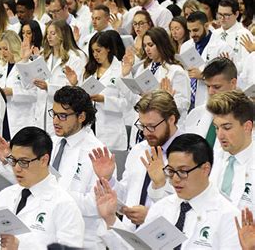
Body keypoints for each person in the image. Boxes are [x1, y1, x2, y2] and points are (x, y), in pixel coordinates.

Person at [95, 133, 241, 249]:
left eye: (183, 171)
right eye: (171, 171)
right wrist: (110, 219)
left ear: (205, 169)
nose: (175, 179)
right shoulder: (163, 207)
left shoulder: (228, 216)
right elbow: (138, 247)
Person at [0, 126, 85, 249]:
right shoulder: (5, 195)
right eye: (13, 160)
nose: (17, 168)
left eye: (23, 162)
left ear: (44, 160)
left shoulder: (64, 205)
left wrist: (20, 247)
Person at [91, 90, 181, 231]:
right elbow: (126, 197)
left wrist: (151, 215)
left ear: (171, 119)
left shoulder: (188, 153)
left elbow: (187, 207)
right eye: (142, 126)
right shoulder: (139, 150)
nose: (145, 133)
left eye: (151, 126)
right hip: (130, 237)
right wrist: (109, 179)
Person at [121, 27, 190, 147]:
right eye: (145, 45)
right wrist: (126, 75)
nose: (147, 49)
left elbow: (183, 104)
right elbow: (133, 100)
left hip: (163, 130)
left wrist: (166, 99)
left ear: (161, 44)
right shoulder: (143, 68)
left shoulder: (176, 71)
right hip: (141, 126)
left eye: (150, 45)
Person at [69, 31, 130, 150]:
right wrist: (75, 84)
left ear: (108, 49)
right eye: (93, 51)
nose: (95, 55)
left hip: (111, 131)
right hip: (89, 127)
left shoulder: (121, 70)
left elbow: (127, 104)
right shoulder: (89, 70)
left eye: (98, 51)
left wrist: (104, 100)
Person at [26, 19, 86, 134]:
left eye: (53, 33)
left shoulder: (75, 59)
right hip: (40, 114)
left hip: (62, 114)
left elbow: (76, 90)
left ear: (63, 35)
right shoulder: (43, 56)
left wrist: (48, 87)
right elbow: (30, 85)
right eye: (48, 33)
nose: (49, 37)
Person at [206, 90, 254, 210]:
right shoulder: (209, 159)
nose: (220, 135)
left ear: (247, 127)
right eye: (217, 128)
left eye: (227, 127)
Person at [181, 12, 232, 109]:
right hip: (189, 100)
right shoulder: (185, 46)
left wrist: (203, 76)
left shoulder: (222, 47)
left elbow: (228, 78)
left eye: (195, 30)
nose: (192, 34)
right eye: (189, 31)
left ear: (206, 26)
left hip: (210, 100)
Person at [184, 57, 238, 149]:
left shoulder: (245, 115)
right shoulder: (196, 113)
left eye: (216, 87)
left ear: (233, 83)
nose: (210, 92)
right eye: (208, 86)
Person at [0, 30, 38, 139]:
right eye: (0, 49)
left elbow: (34, 95)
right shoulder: (1, 68)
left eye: (5, 49)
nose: (2, 53)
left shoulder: (25, 66)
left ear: (13, 46)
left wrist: (13, 93)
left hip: (21, 119)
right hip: (4, 117)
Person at [212, 0, 254, 72]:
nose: (222, 18)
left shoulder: (244, 34)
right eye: (220, 14)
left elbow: (248, 65)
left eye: (226, 15)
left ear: (236, 14)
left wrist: (230, 65)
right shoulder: (215, 33)